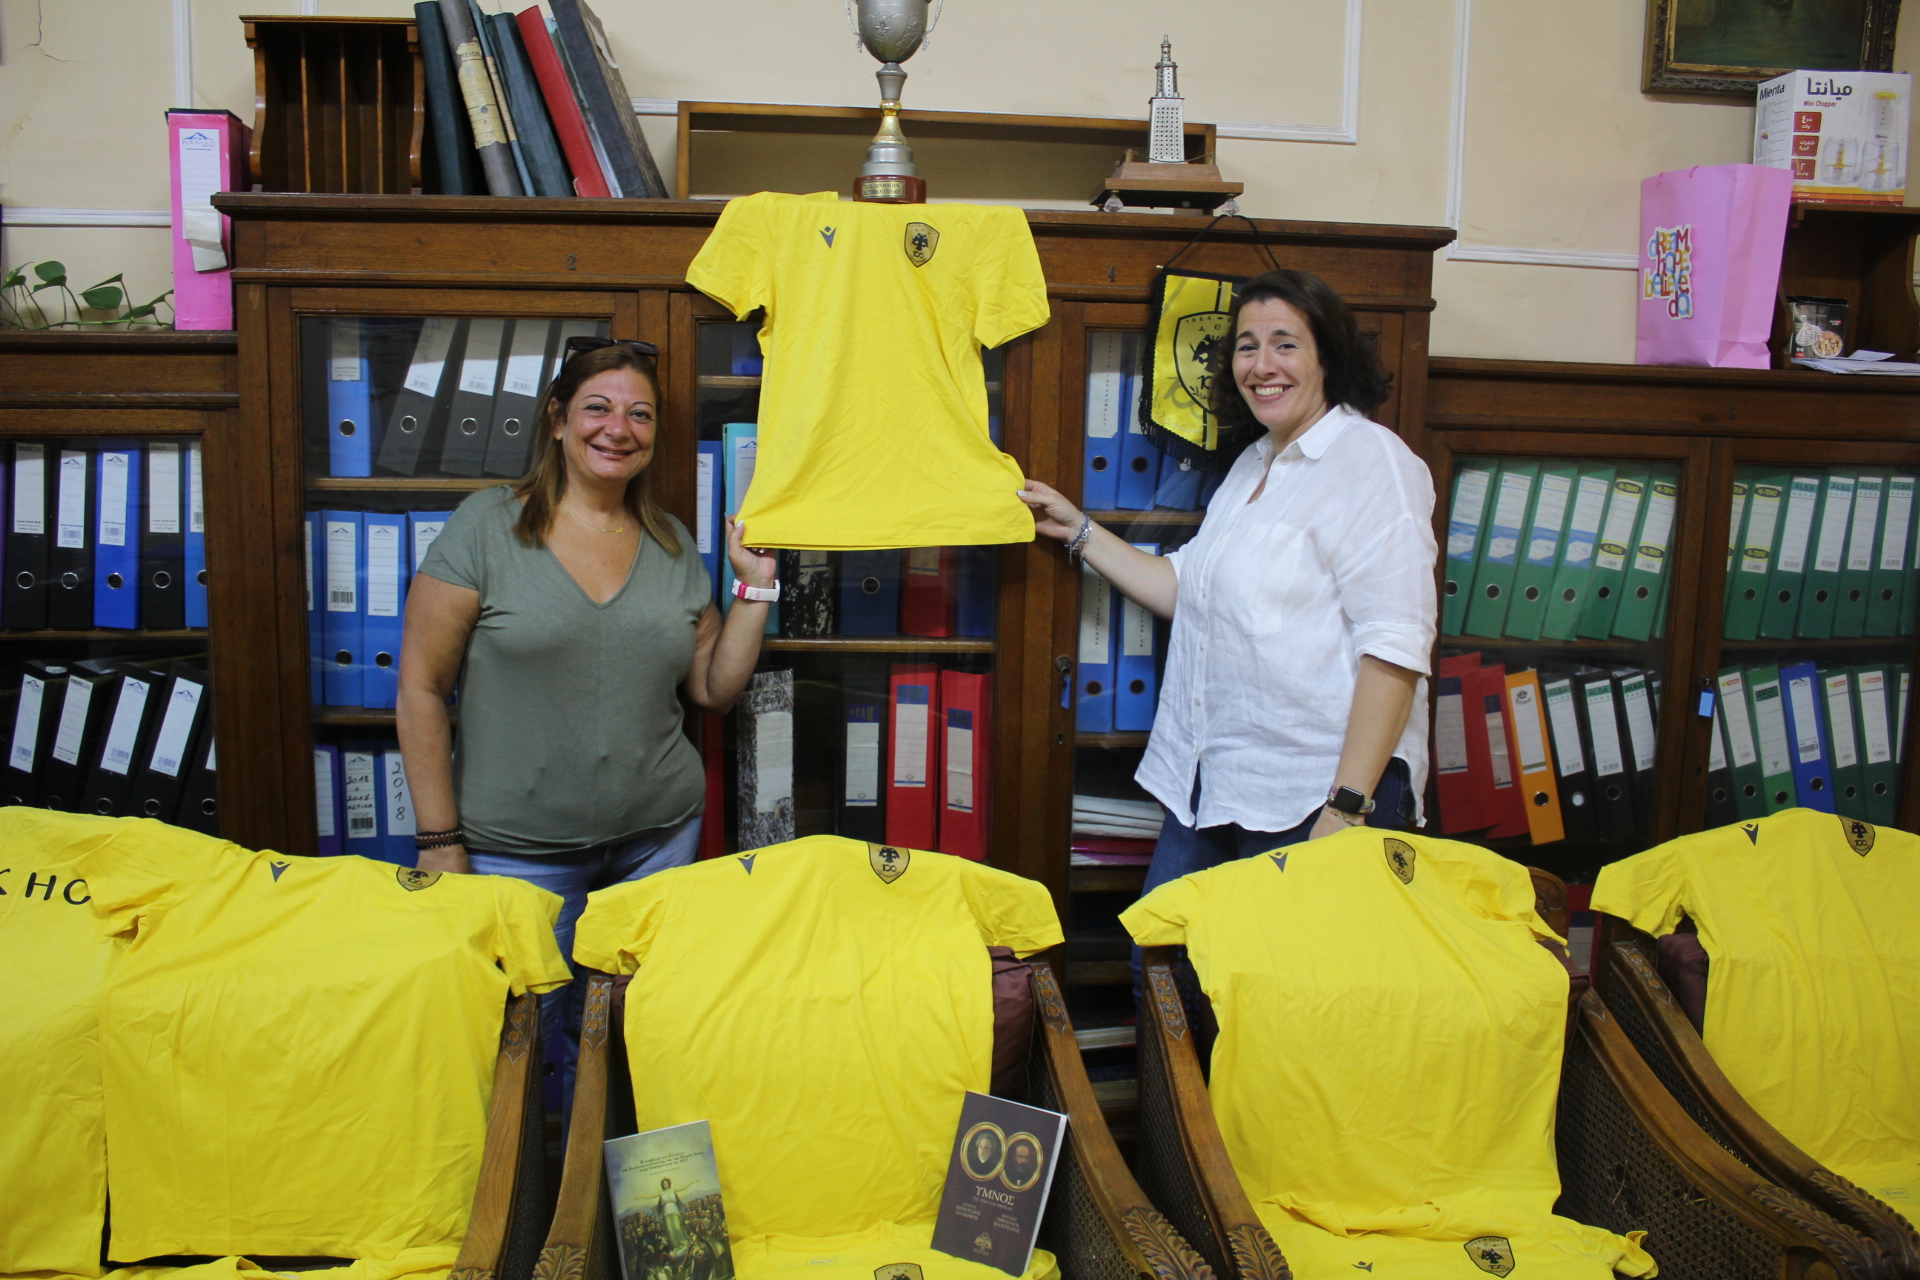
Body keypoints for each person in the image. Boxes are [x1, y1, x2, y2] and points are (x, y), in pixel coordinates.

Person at [398, 338, 775, 1103]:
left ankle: (600, 1179)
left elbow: (712, 688)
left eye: (640, 414)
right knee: (518, 1053)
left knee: (630, 1048)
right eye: (598, 408)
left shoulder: (671, 543)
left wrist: (756, 587)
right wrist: (440, 843)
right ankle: (532, 1185)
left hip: (656, 846)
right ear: (558, 419)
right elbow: (421, 689)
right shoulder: (487, 527)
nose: (618, 428)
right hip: (517, 857)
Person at [1018, 268, 1436, 899]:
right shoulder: (1255, 462)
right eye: (1246, 346)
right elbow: (1190, 588)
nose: (1262, 365)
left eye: (1285, 344)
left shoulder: (1372, 460)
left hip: (1312, 795)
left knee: (1265, 967)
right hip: (1212, 780)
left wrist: (1347, 807)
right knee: (1162, 950)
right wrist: (1079, 529)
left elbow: (1396, 647)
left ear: (1328, 356)